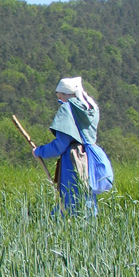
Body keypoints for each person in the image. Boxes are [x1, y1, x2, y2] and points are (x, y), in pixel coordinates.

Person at [33, 76, 100, 215]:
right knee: (87, 198)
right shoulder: (91, 107)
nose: (60, 101)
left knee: (70, 202)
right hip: (91, 159)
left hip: (74, 160)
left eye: (60, 97)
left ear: (66, 94)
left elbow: (60, 145)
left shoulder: (68, 108)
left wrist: (39, 151)